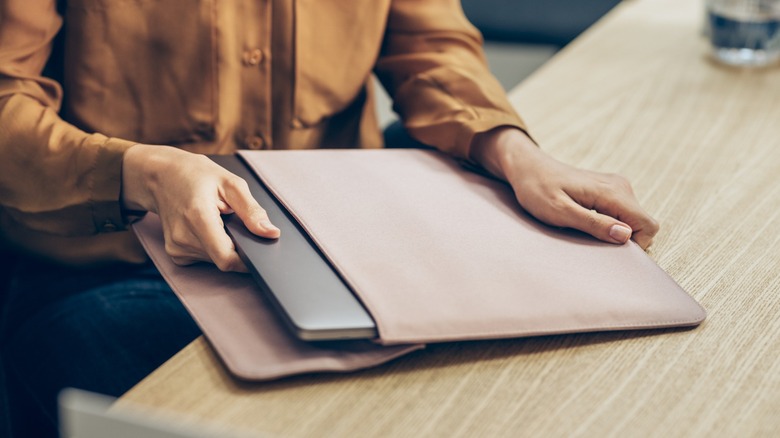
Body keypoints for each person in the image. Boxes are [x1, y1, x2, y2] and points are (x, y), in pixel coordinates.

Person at [0, 0, 659, 436]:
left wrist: (512, 152)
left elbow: (430, 46)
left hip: (339, 229)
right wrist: (142, 172)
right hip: (111, 259)